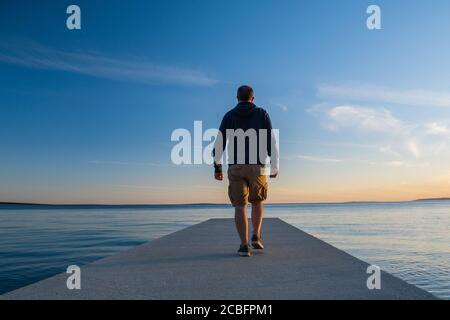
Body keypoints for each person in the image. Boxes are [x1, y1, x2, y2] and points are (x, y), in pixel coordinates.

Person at [213, 85, 278, 257]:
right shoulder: (262, 113)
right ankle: (256, 235)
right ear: (253, 98)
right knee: (257, 201)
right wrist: (274, 163)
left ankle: (243, 246)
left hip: (236, 166)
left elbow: (219, 144)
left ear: (237, 98)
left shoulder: (229, 115)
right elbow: (271, 141)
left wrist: (217, 167)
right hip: (258, 166)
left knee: (240, 206)